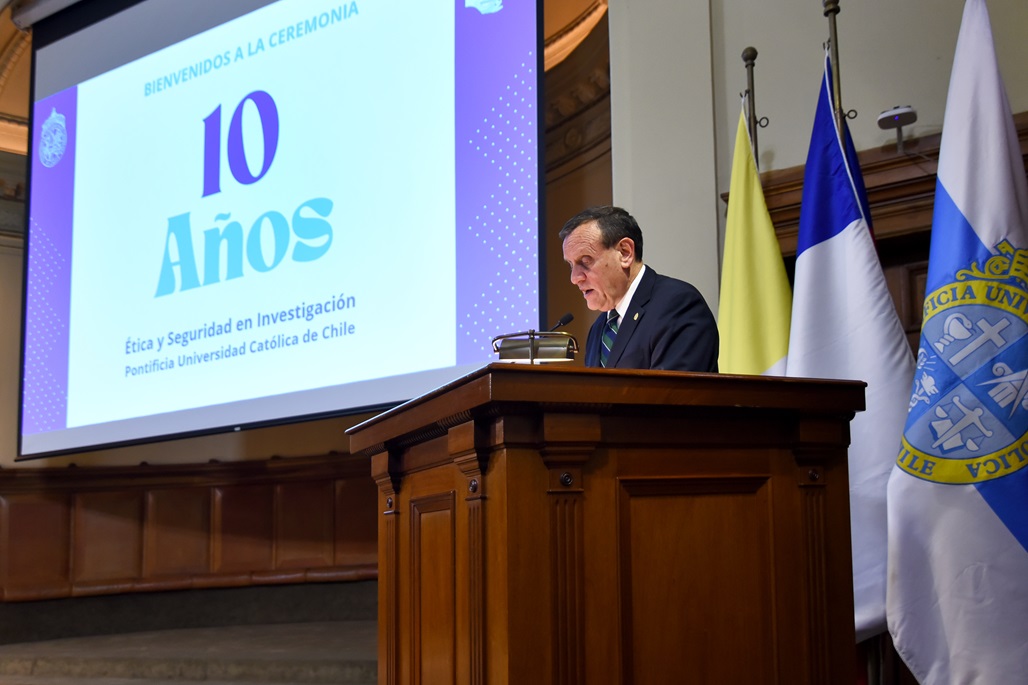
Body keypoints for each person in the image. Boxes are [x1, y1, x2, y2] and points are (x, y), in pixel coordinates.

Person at [559, 205, 718, 372]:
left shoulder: (678, 305)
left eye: (585, 261)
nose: (574, 278)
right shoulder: (599, 328)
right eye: (571, 265)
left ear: (625, 252)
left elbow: (675, 394)